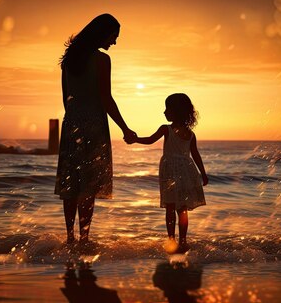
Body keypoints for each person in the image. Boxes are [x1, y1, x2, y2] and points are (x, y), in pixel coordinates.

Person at [55, 14, 137, 246]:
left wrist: (73, 120)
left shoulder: (69, 60)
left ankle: (70, 238)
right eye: (113, 36)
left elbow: (66, 98)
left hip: (71, 123)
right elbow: (106, 99)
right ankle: (84, 239)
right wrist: (125, 128)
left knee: (71, 184)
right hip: (93, 125)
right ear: (102, 33)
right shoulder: (102, 60)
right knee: (88, 186)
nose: (114, 41)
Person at [126, 93, 208, 253]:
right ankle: (183, 242)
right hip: (186, 170)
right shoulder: (190, 133)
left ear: (174, 111)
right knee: (182, 209)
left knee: (170, 207)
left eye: (167, 108)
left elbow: (150, 140)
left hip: (170, 170)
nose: (164, 112)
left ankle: (172, 241)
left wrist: (135, 139)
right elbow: (195, 155)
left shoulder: (166, 129)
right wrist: (203, 174)